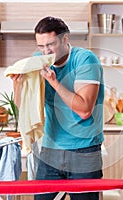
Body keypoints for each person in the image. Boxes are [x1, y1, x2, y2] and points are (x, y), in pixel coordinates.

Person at [12, 16, 104, 200]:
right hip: (50, 150)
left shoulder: (85, 60)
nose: (45, 51)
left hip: (84, 151)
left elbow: (84, 110)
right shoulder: (38, 60)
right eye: (41, 46)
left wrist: (54, 82)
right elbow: (24, 106)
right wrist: (18, 85)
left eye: (50, 44)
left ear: (64, 39)